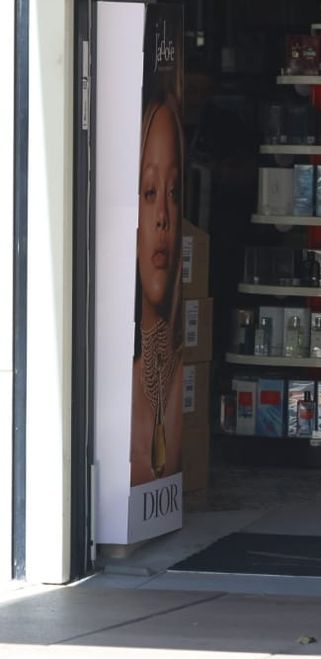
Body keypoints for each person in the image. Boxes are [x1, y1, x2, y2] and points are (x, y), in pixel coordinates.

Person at [131, 97, 186, 487]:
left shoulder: (183, 376)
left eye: (174, 192)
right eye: (150, 192)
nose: (163, 217)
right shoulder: (107, 383)